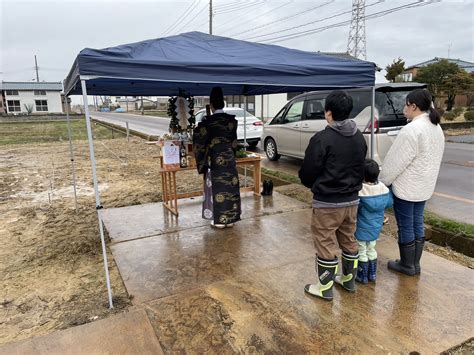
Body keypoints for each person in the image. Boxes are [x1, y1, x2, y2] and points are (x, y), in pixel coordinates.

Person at [299, 90, 367, 301]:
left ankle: (325, 287)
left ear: (328, 113)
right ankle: (348, 280)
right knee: (348, 239)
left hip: (328, 202)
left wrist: (315, 185)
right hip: (352, 201)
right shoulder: (359, 137)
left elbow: (308, 172)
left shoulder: (322, 139)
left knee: (325, 242)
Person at [379, 89, 444, 276]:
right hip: (424, 186)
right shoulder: (436, 127)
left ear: (414, 106)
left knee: (406, 225)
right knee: (417, 224)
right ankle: (414, 264)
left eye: (406, 104)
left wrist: (383, 181)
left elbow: (395, 162)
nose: (404, 108)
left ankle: (407, 265)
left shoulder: (412, 130)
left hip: (407, 187)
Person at [193, 87, 241, 228]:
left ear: (211, 105)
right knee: (230, 188)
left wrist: (202, 159)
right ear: (223, 104)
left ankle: (218, 220)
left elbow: (199, 142)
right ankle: (231, 218)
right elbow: (234, 143)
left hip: (214, 162)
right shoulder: (232, 122)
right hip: (230, 160)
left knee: (217, 188)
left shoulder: (207, 123)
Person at [354, 159, 393, 284]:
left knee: (361, 250)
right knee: (371, 249)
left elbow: (355, 209)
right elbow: (389, 203)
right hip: (375, 228)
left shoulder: (360, 191)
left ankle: (362, 276)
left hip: (361, 228)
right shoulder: (383, 190)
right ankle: (372, 274)